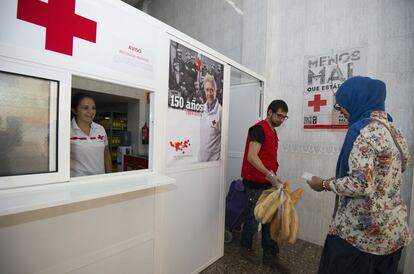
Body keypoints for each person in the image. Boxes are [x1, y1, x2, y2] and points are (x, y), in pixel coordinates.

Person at [307, 76, 411, 274]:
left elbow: (361, 184)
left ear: (356, 99)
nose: (342, 112)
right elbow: (401, 167)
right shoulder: (394, 130)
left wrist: (324, 184)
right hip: (393, 232)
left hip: (360, 236)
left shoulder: (361, 129)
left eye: (341, 106)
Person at [239, 100, 290, 273]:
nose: (281, 119)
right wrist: (270, 175)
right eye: (279, 115)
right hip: (254, 184)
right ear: (269, 112)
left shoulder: (272, 131)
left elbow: (267, 157)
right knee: (253, 219)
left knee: (269, 218)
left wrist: (274, 177)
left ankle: (270, 254)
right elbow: (252, 157)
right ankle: (245, 247)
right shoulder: (259, 129)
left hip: (267, 182)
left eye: (284, 117)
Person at [70, 93, 112, 177]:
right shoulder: (66, 130)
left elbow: (106, 155)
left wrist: (109, 177)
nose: (91, 112)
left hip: (100, 180)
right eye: (85, 108)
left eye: (93, 108)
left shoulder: (100, 129)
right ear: (74, 110)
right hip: (78, 182)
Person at [199, 75, 222, 161]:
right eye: (207, 90)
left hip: (214, 163)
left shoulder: (220, 111)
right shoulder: (202, 109)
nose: (209, 94)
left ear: (216, 91)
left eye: (212, 90)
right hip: (201, 161)